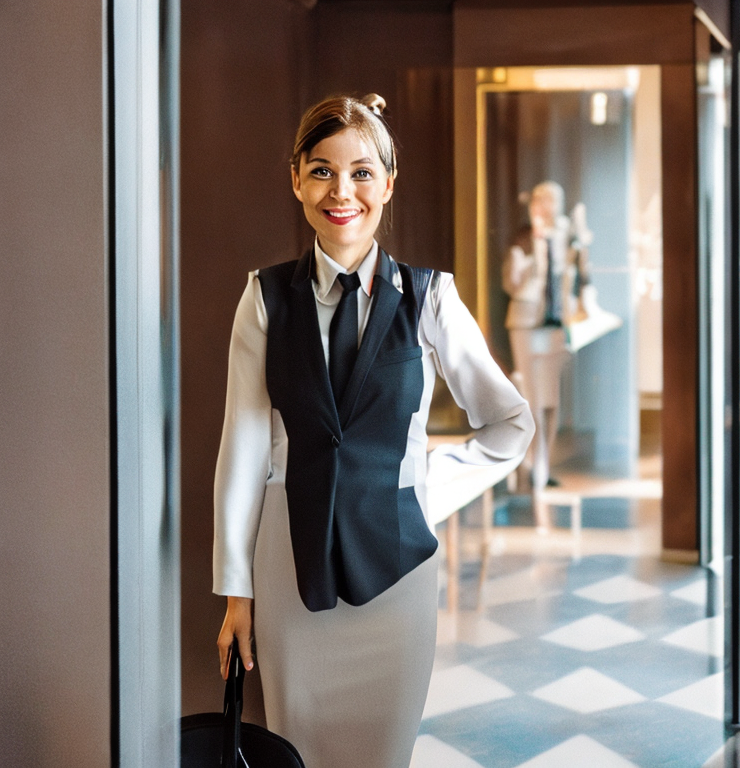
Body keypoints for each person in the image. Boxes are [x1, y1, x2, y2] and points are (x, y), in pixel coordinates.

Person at [213, 93, 535, 768]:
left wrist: (420, 491)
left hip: (399, 578)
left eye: (362, 172)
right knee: (296, 753)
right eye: (323, 170)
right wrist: (235, 589)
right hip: (289, 572)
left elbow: (511, 423)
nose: (342, 191)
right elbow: (242, 450)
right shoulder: (264, 298)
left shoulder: (430, 297)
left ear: (388, 183)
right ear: (296, 178)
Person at [502, 181, 590, 515]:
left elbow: (580, 276)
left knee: (551, 399)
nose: (544, 206)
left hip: (557, 323)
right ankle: (529, 467)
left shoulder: (569, 238)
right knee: (531, 398)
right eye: (539, 199)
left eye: (551, 200)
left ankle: (544, 464)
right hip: (526, 320)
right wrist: (529, 260)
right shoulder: (523, 238)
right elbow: (510, 283)